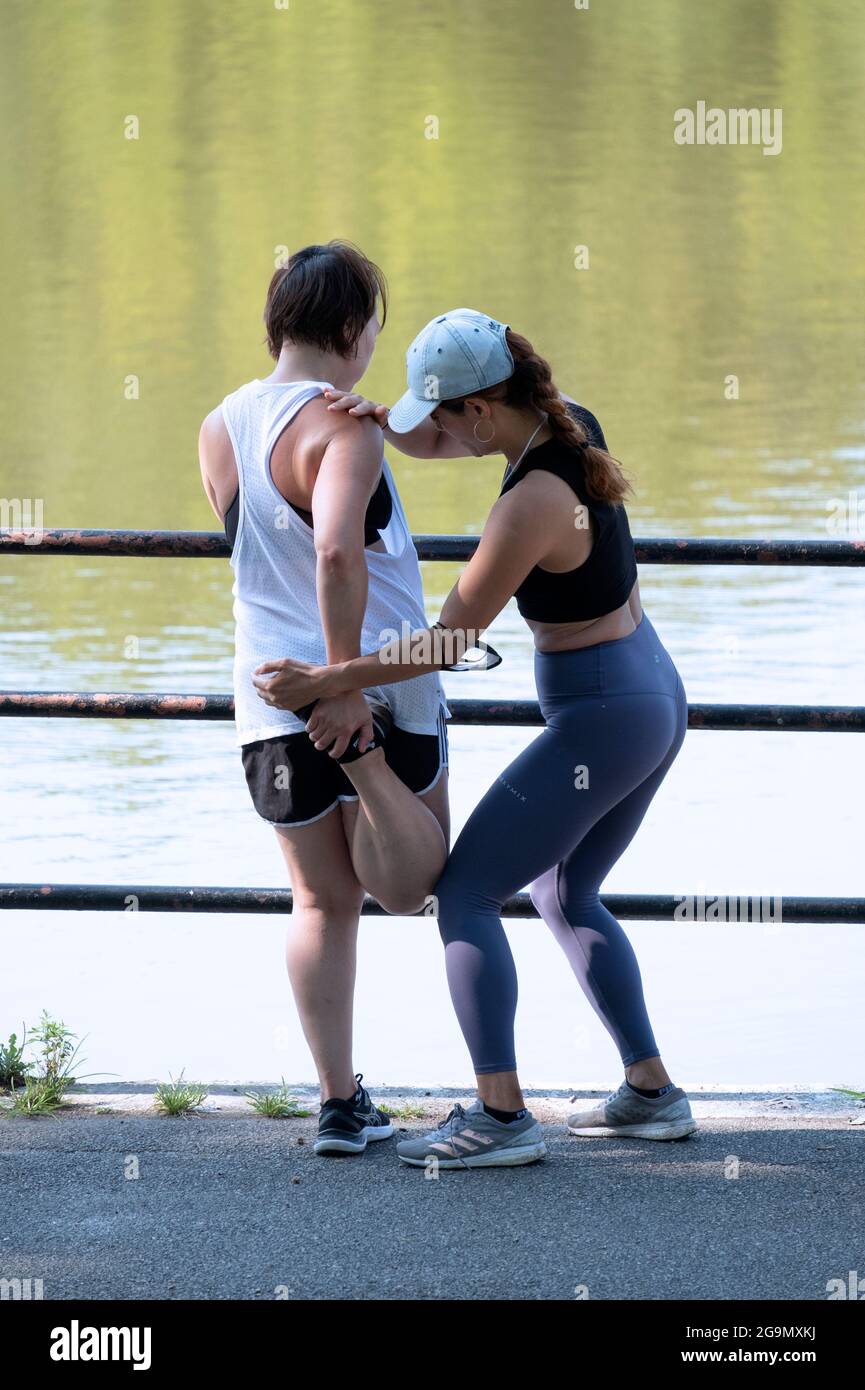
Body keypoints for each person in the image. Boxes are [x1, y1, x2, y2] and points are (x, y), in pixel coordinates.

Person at [253, 307, 698, 1170]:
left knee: (464, 891)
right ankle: (651, 1094)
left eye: (443, 418)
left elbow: (445, 642)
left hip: (603, 716)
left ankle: (500, 1117)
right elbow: (442, 441)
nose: (437, 438)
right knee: (566, 895)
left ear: (480, 412)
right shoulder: (564, 425)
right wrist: (385, 420)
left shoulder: (531, 503)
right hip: (649, 693)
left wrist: (328, 681)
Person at [197, 242, 453, 1157]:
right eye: (375, 326)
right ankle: (480, 1098)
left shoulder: (220, 424)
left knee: (317, 902)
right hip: (370, 691)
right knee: (413, 882)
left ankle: (338, 1105)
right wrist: (344, 685)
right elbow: (336, 550)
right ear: (351, 329)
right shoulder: (344, 430)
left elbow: (258, 546)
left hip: (265, 700)